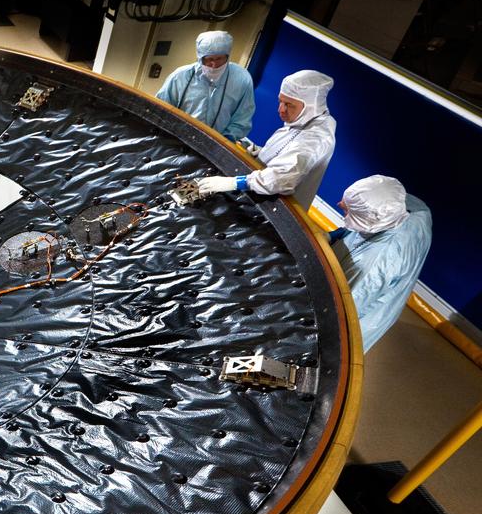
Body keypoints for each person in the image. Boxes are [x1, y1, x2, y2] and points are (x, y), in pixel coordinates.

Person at [196, 69, 336, 209]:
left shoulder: (316, 138)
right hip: (264, 195)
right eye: (280, 101)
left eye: (289, 105)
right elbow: (291, 152)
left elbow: (281, 178)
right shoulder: (307, 120)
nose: (281, 110)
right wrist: (265, 153)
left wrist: (234, 183)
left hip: (280, 209)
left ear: (311, 107)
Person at [329, 175, 432, 352]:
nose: (338, 204)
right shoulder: (405, 205)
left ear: (369, 221)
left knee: (337, 346)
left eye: (348, 211)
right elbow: (360, 223)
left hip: (357, 310)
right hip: (379, 276)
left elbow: (338, 309)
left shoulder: (375, 266)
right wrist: (335, 235)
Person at [155, 30, 255, 141]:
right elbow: (161, 107)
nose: (214, 64)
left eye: (219, 59)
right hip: (176, 138)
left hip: (215, 144)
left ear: (227, 56)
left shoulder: (242, 79)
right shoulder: (180, 76)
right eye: (209, 59)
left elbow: (243, 116)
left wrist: (229, 137)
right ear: (200, 57)